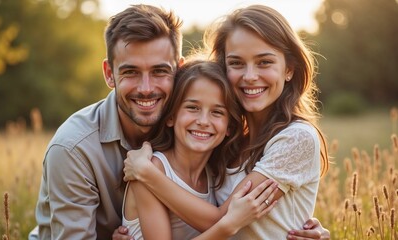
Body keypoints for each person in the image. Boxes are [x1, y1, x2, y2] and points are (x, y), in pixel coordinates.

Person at [31, 4, 282, 240]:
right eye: (131, 72)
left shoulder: (205, 144)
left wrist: (299, 230)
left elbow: (246, 209)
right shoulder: (73, 149)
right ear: (109, 74)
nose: (146, 89)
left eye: (160, 71)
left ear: (179, 71)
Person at [122, 4, 330, 240]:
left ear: (289, 69)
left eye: (264, 62)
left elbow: (224, 219)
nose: (250, 76)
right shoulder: (226, 142)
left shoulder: (296, 138)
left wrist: (147, 174)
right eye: (237, 63)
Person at [122, 59, 278, 240]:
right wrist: (229, 226)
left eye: (217, 112)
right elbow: (226, 223)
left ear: (229, 127)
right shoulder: (149, 171)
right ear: (171, 117)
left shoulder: (214, 176)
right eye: (193, 108)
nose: (203, 121)